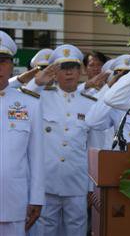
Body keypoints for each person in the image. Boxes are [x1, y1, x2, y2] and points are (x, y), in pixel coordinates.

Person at [26, 44, 110, 235]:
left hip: (77, 182)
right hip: (46, 181)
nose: (69, 73)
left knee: (76, 229)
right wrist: (37, 82)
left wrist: (92, 186)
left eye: (73, 67)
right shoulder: (41, 97)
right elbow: (22, 101)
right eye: (63, 68)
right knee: (44, 230)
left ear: (80, 70)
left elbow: (94, 146)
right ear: (55, 72)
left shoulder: (89, 103)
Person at [0, 31, 45, 235]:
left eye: (3, 61)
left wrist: (36, 197)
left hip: (13, 202)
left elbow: (36, 156)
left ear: (11, 66)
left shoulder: (29, 104)